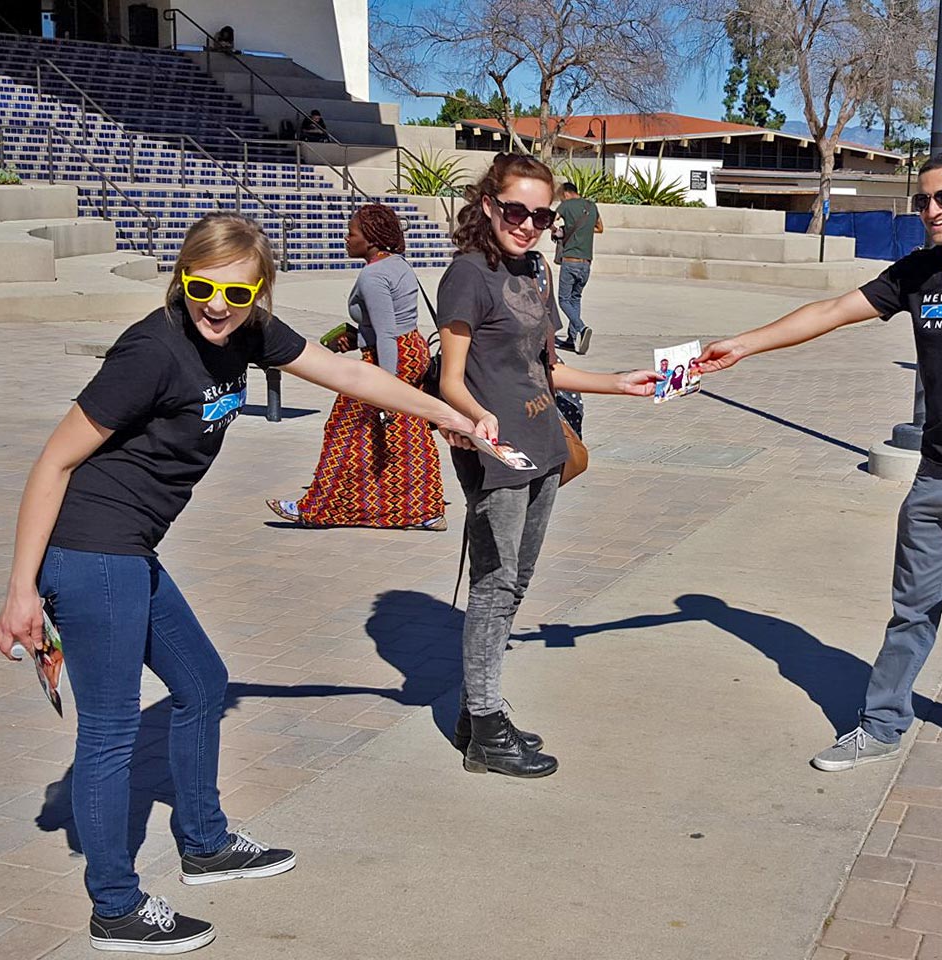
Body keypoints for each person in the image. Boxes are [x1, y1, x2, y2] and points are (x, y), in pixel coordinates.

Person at [0, 213, 474, 955]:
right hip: (93, 554)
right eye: (201, 286)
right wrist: (22, 590)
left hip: (132, 552)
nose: (217, 305)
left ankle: (205, 844)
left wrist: (444, 412)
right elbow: (53, 463)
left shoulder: (248, 333)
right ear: (181, 278)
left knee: (203, 684)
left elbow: (346, 371)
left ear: (259, 294)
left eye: (237, 293)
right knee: (112, 732)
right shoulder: (150, 353)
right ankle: (115, 908)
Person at [696, 150, 942, 781]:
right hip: (933, 481)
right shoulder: (919, 273)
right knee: (912, 611)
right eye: (923, 200)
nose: (931, 211)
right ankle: (881, 724)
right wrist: (744, 344)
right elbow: (832, 312)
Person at [438, 153, 658, 779]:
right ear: (488, 205)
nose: (529, 224)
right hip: (497, 453)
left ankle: (472, 713)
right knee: (494, 583)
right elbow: (451, 381)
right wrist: (477, 422)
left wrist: (622, 384)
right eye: (517, 211)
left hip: (545, 441)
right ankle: (484, 726)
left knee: (517, 582)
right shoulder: (468, 276)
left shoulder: (534, 270)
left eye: (542, 215)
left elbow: (546, 369)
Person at [266, 205, 446, 530]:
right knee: (407, 430)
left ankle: (317, 509)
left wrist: (386, 387)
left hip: (390, 360)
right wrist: (359, 337)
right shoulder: (397, 264)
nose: (346, 238)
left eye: (352, 233)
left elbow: (388, 332)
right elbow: (393, 323)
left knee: (342, 429)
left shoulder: (373, 275)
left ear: (372, 238)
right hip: (411, 350)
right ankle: (426, 510)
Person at [550, 181, 603, 355]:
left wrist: (557, 230)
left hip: (570, 260)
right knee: (576, 299)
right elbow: (600, 228)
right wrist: (584, 232)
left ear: (565, 194)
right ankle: (571, 340)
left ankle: (581, 328)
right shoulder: (591, 206)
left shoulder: (566, 205)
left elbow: (551, 220)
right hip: (586, 262)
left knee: (564, 300)